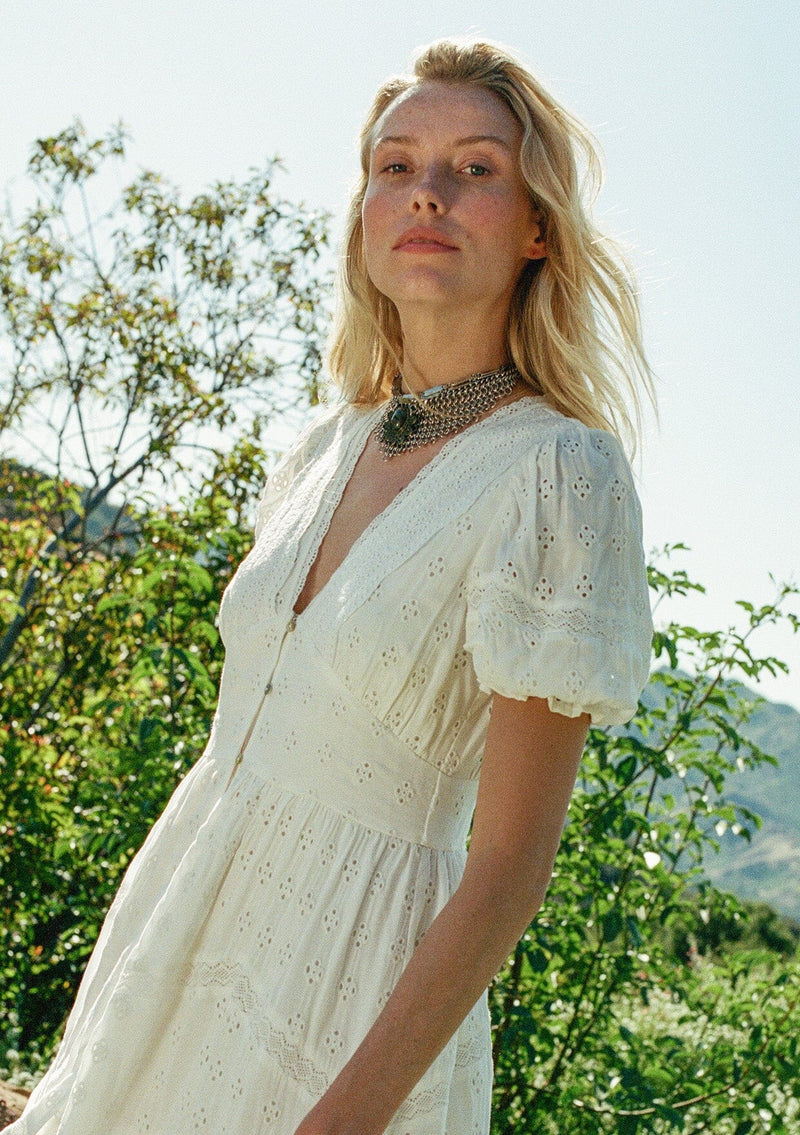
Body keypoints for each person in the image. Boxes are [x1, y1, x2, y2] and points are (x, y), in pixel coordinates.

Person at [9, 38, 654, 1135]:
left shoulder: (559, 472)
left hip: (349, 1006)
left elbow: (508, 869)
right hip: (171, 953)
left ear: (538, 227)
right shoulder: (324, 444)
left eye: (475, 168)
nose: (427, 193)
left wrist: (345, 1117)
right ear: (363, 213)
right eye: (396, 166)